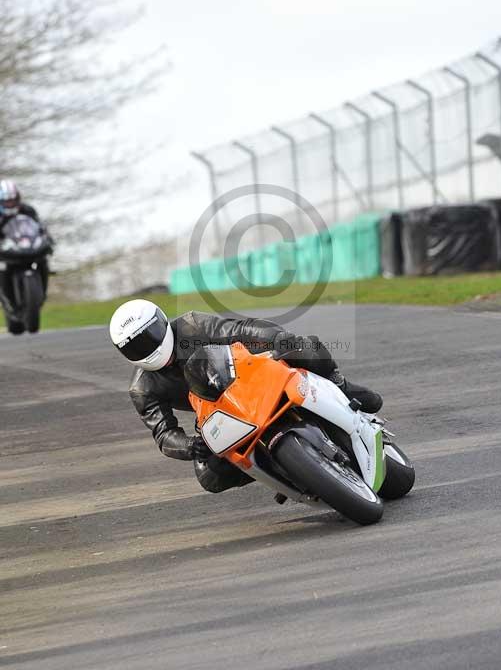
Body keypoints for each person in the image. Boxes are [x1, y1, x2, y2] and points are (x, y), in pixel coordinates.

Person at [109, 299, 383, 494]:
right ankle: (280, 468)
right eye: (135, 346)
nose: (147, 347)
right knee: (209, 477)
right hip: (213, 410)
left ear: (162, 323)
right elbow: (163, 434)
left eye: (149, 336)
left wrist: (272, 339)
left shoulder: (192, 325)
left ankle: (341, 386)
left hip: (246, 373)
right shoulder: (142, 388)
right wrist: (189, 446)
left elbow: (238, 330)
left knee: (298, 345)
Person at [0, 180, 51, 331]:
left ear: (18, 198)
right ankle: (8, 301)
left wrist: (47, 238)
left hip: (27, 248)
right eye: (6, 202)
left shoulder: (28, 210)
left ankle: (41, 294)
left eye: (13, 201)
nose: (10, 204)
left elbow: (40, 227)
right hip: (6, 252)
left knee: (44, 260)